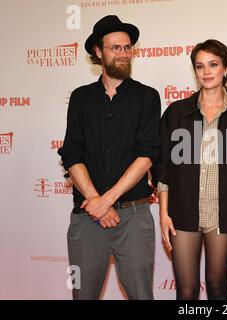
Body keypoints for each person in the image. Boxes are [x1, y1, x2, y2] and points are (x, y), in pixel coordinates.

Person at [58, 15, 161, 300]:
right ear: (98, 52)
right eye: (115, 48)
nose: (123, 54)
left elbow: (146, 154)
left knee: (142, 295)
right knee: (83, 295)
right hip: (87, 217)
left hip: (134, 217)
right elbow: (72, 153)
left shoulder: (147, 97)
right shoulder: (80, 98)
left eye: (128, 48)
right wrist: (96, 202)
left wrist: (106, 201)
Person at [155, 39, 227, 300]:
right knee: (186, 291)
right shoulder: (176, 113)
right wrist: (164, 213)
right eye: (200, 66)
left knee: (217, 286)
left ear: (226, 69)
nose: (206, 72)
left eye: (213, 64)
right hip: (183, 212)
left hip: (223, 214)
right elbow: (163, 166)